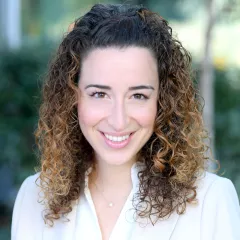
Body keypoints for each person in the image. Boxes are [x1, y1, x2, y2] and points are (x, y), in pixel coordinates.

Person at [11, 3, 240, 240]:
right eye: (99, 94)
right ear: (72, 96)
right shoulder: (34, 198)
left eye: (138, 96)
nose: (118, 121)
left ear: (162, 101)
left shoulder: (211, 201)